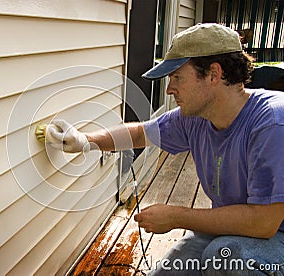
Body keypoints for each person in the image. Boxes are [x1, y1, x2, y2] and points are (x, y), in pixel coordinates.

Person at [45, 23, 284, 275]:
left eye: (177, 77)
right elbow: (140, 132)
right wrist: (84, 140)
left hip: (272, 233)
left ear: (214, 74)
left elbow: (263, 222)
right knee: (171, 270)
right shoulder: (196, 118)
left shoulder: (272, 123)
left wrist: (175, 216)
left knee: (224, 257)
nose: (169, 89)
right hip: (238, 230)